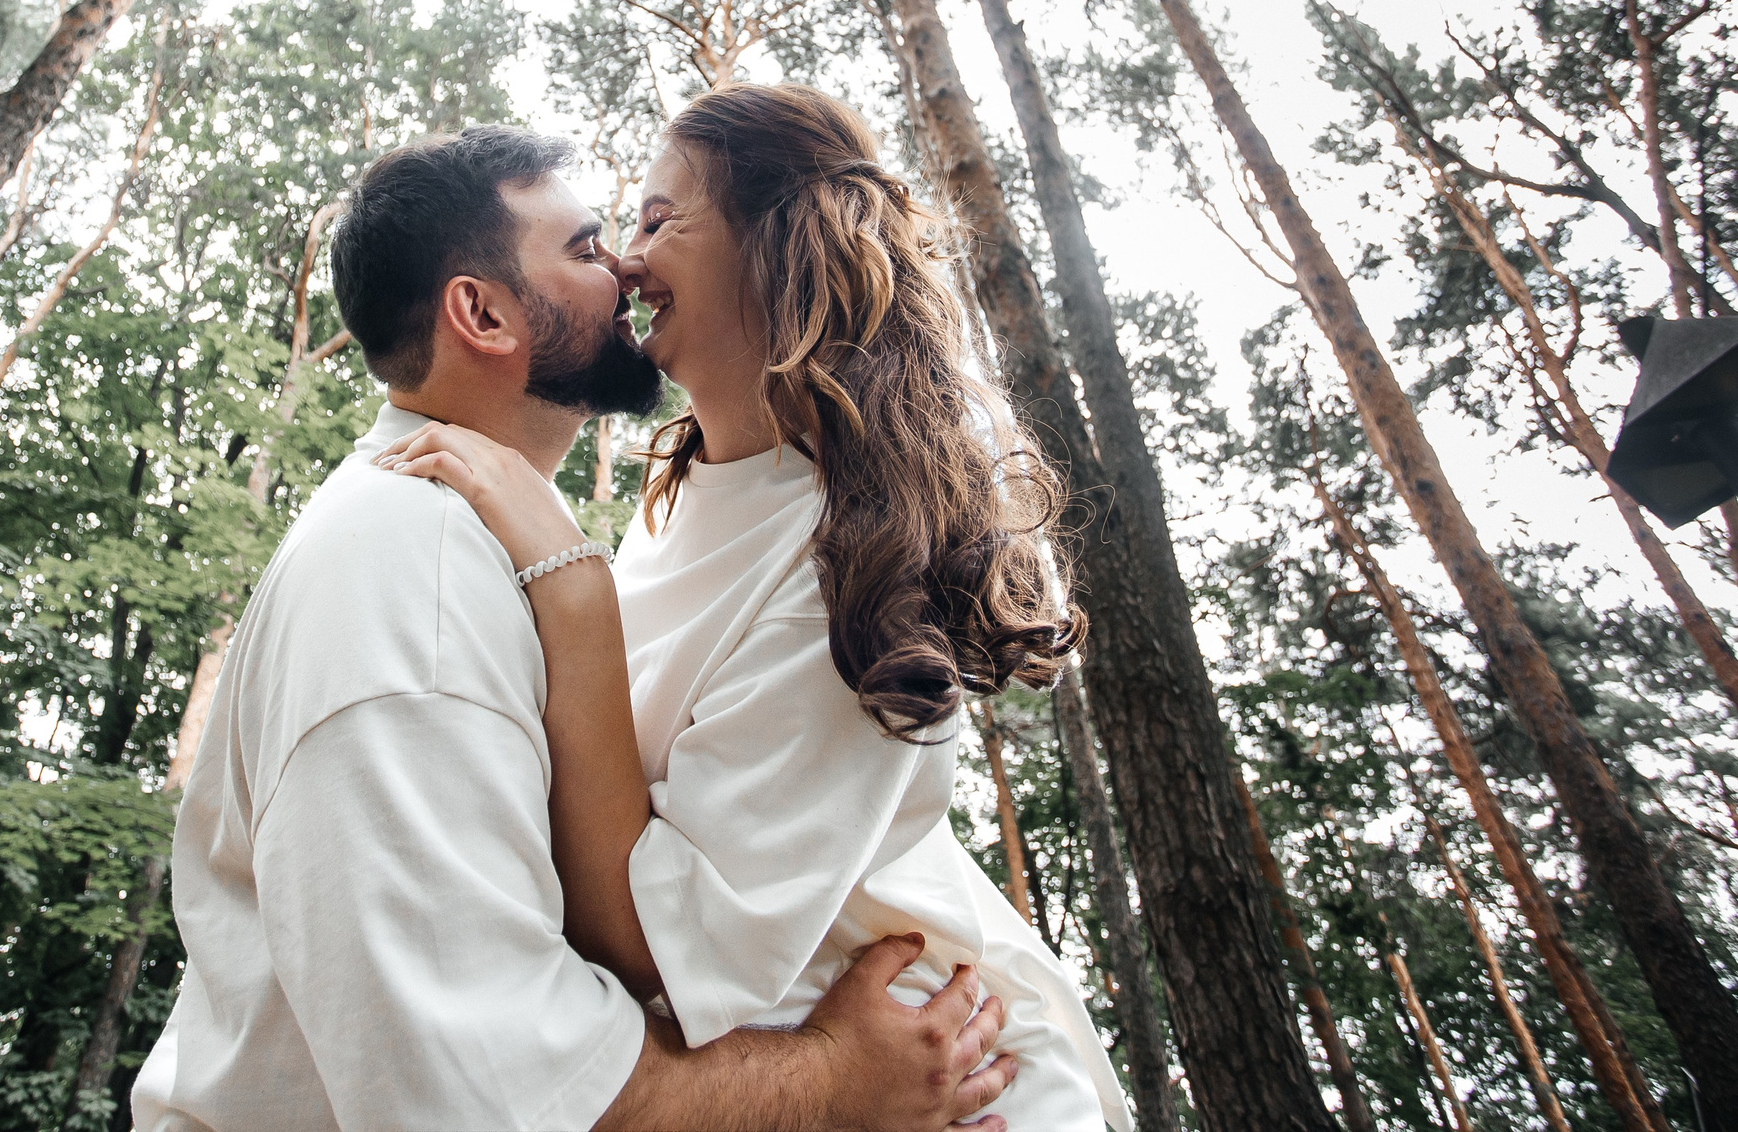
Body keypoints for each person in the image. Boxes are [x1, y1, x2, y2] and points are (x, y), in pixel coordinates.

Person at [131, 124, 1020, 1132]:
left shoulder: (526, 544)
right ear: (482, 312)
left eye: (647, 226)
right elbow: (488, 1089)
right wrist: (829, 1084)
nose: (625, 266)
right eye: (589, 244)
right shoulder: (416, 573)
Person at [379, 86, 1133, 1131]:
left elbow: (650, 936)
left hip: (952, 1092)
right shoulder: (686, 499)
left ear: (782, 244)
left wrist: (571, 584)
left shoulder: (855, 556)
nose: (627, 262)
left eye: (659, 220)